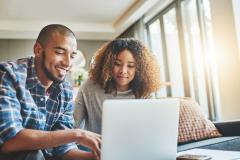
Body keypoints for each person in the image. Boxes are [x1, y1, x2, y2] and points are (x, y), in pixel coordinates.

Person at [0, 24, 101, 160]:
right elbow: (9, 141)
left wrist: (96, 157)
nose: (67, 63)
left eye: (72, 56)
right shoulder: (9, 74)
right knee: (34, 155)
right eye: (59, 52)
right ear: (38, 50)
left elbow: (63, 148)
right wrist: (77, 134)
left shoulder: (65, 91)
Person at [74, 38, 162, 134]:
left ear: (140, 69)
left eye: (130, 66)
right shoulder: (90, 86)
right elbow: (73, 124)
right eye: (117, 64)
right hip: (97, 147)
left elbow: (150, 128)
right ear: (107, 64)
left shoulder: (144, 91)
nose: (123, 71)